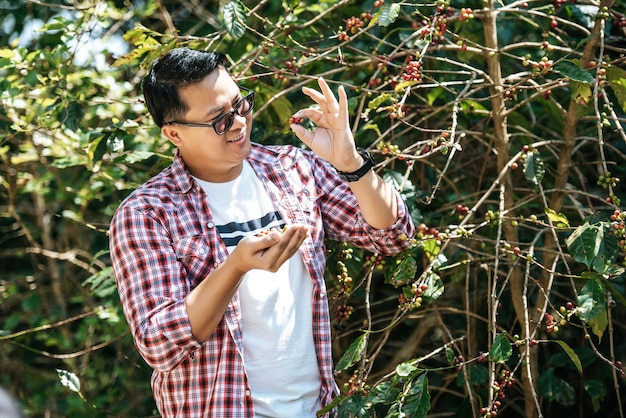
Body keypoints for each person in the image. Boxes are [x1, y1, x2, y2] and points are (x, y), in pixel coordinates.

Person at [109, 47, 415, 418]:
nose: (238, 122)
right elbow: (159, 343)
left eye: (241, 105)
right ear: (174, 133)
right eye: (219, 119)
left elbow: (392, 235)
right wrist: (235, 267)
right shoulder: (147, 213)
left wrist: (351, 164)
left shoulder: (291, 168)